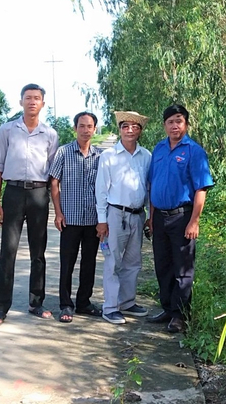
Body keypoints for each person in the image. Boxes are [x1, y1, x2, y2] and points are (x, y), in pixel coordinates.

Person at [0, 83, 59, 325]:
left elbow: (53, 173)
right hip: (14, 193)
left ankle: (36, 302)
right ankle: (1, 307)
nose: (32, 102)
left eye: (36, 98)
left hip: (39, 195)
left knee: (38, 252)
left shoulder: (50, 134)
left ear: (42, 103)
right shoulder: (7, 130)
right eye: (28, 98)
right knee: (8, 251)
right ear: (20, 102)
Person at [146, 104, 214, 333]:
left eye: (179, 121)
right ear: (164, 125)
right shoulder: (159, 149)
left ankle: (179, 315)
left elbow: (200, 189)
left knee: (183, 269)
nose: (174, 125)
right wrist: (151, 218)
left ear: (186, 124)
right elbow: (153, 184)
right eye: (170, 121)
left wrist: (194, 221)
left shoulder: (194, 151)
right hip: (159, 218)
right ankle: (167, 308)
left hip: (182, 217)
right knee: (162, 265)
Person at [95, 111, 151, 324]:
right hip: (115, 214)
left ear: (140, 131)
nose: (130, 130)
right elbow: (101, 189)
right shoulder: (109, 156)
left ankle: (127, 302)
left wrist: (149, 216)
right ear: (119, 129)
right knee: (113, 261)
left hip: (138, 215)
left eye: (134, 127)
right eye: (125, 126)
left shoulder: (146, 156)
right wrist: (102, 220)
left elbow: (147, 186)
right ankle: (110, 307)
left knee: (133, 262)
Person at [49, 111, 103, 323]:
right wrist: (58, 212)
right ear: (75, 128)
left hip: (92, 220)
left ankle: (84, 302)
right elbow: (54, 182)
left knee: (89, 263)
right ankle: (65, 304)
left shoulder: (100, 156)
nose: (85, 130)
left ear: (94, 129)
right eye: (81, 126)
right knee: (67, 263)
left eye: (89, 126)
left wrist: (102, 219)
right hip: (69, 219)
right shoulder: (63, 152)